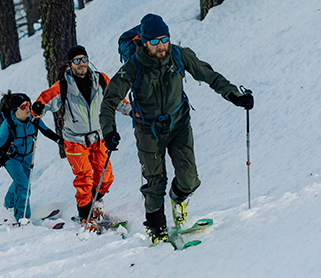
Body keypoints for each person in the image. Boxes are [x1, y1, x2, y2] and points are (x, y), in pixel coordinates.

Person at [100, 14, 254, 244]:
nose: (161, 45)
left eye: (165, 39)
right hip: (148, 129)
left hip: (178, 122)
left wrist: (234, 95)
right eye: (154, 41)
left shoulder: (179, 55)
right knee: (154, 182)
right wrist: (109, 131)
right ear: (143, 42)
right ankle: (156, 229)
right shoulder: (132, 66)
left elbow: (208, 74)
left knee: (190, 179)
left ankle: (178, 199)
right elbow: (109, 101)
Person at [33, 45, 130, 229]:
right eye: (76, 61)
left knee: (106, 177)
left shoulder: (100, 79)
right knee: (84, 178)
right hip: (75, 141)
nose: (81, 64)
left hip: (98, 137)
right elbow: (46, 99)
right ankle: (86, 218)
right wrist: (38, 107)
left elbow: (115, 98)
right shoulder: (63, 85)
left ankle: (95, 203)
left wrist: (133, 111)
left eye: (84, 59)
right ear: (70, 64)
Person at [0, 91, 61, 224]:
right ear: (15, 111)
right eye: (23, 107)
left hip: (27, 157)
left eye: (28, 105)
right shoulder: (8, 125)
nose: (27, 109)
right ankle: (23, 217)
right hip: (12, 158)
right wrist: (0, 157)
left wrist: (61, 141)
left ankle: (9, 203)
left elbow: (46, 131)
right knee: (24, 185)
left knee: (23, 182)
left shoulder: (34, 118)